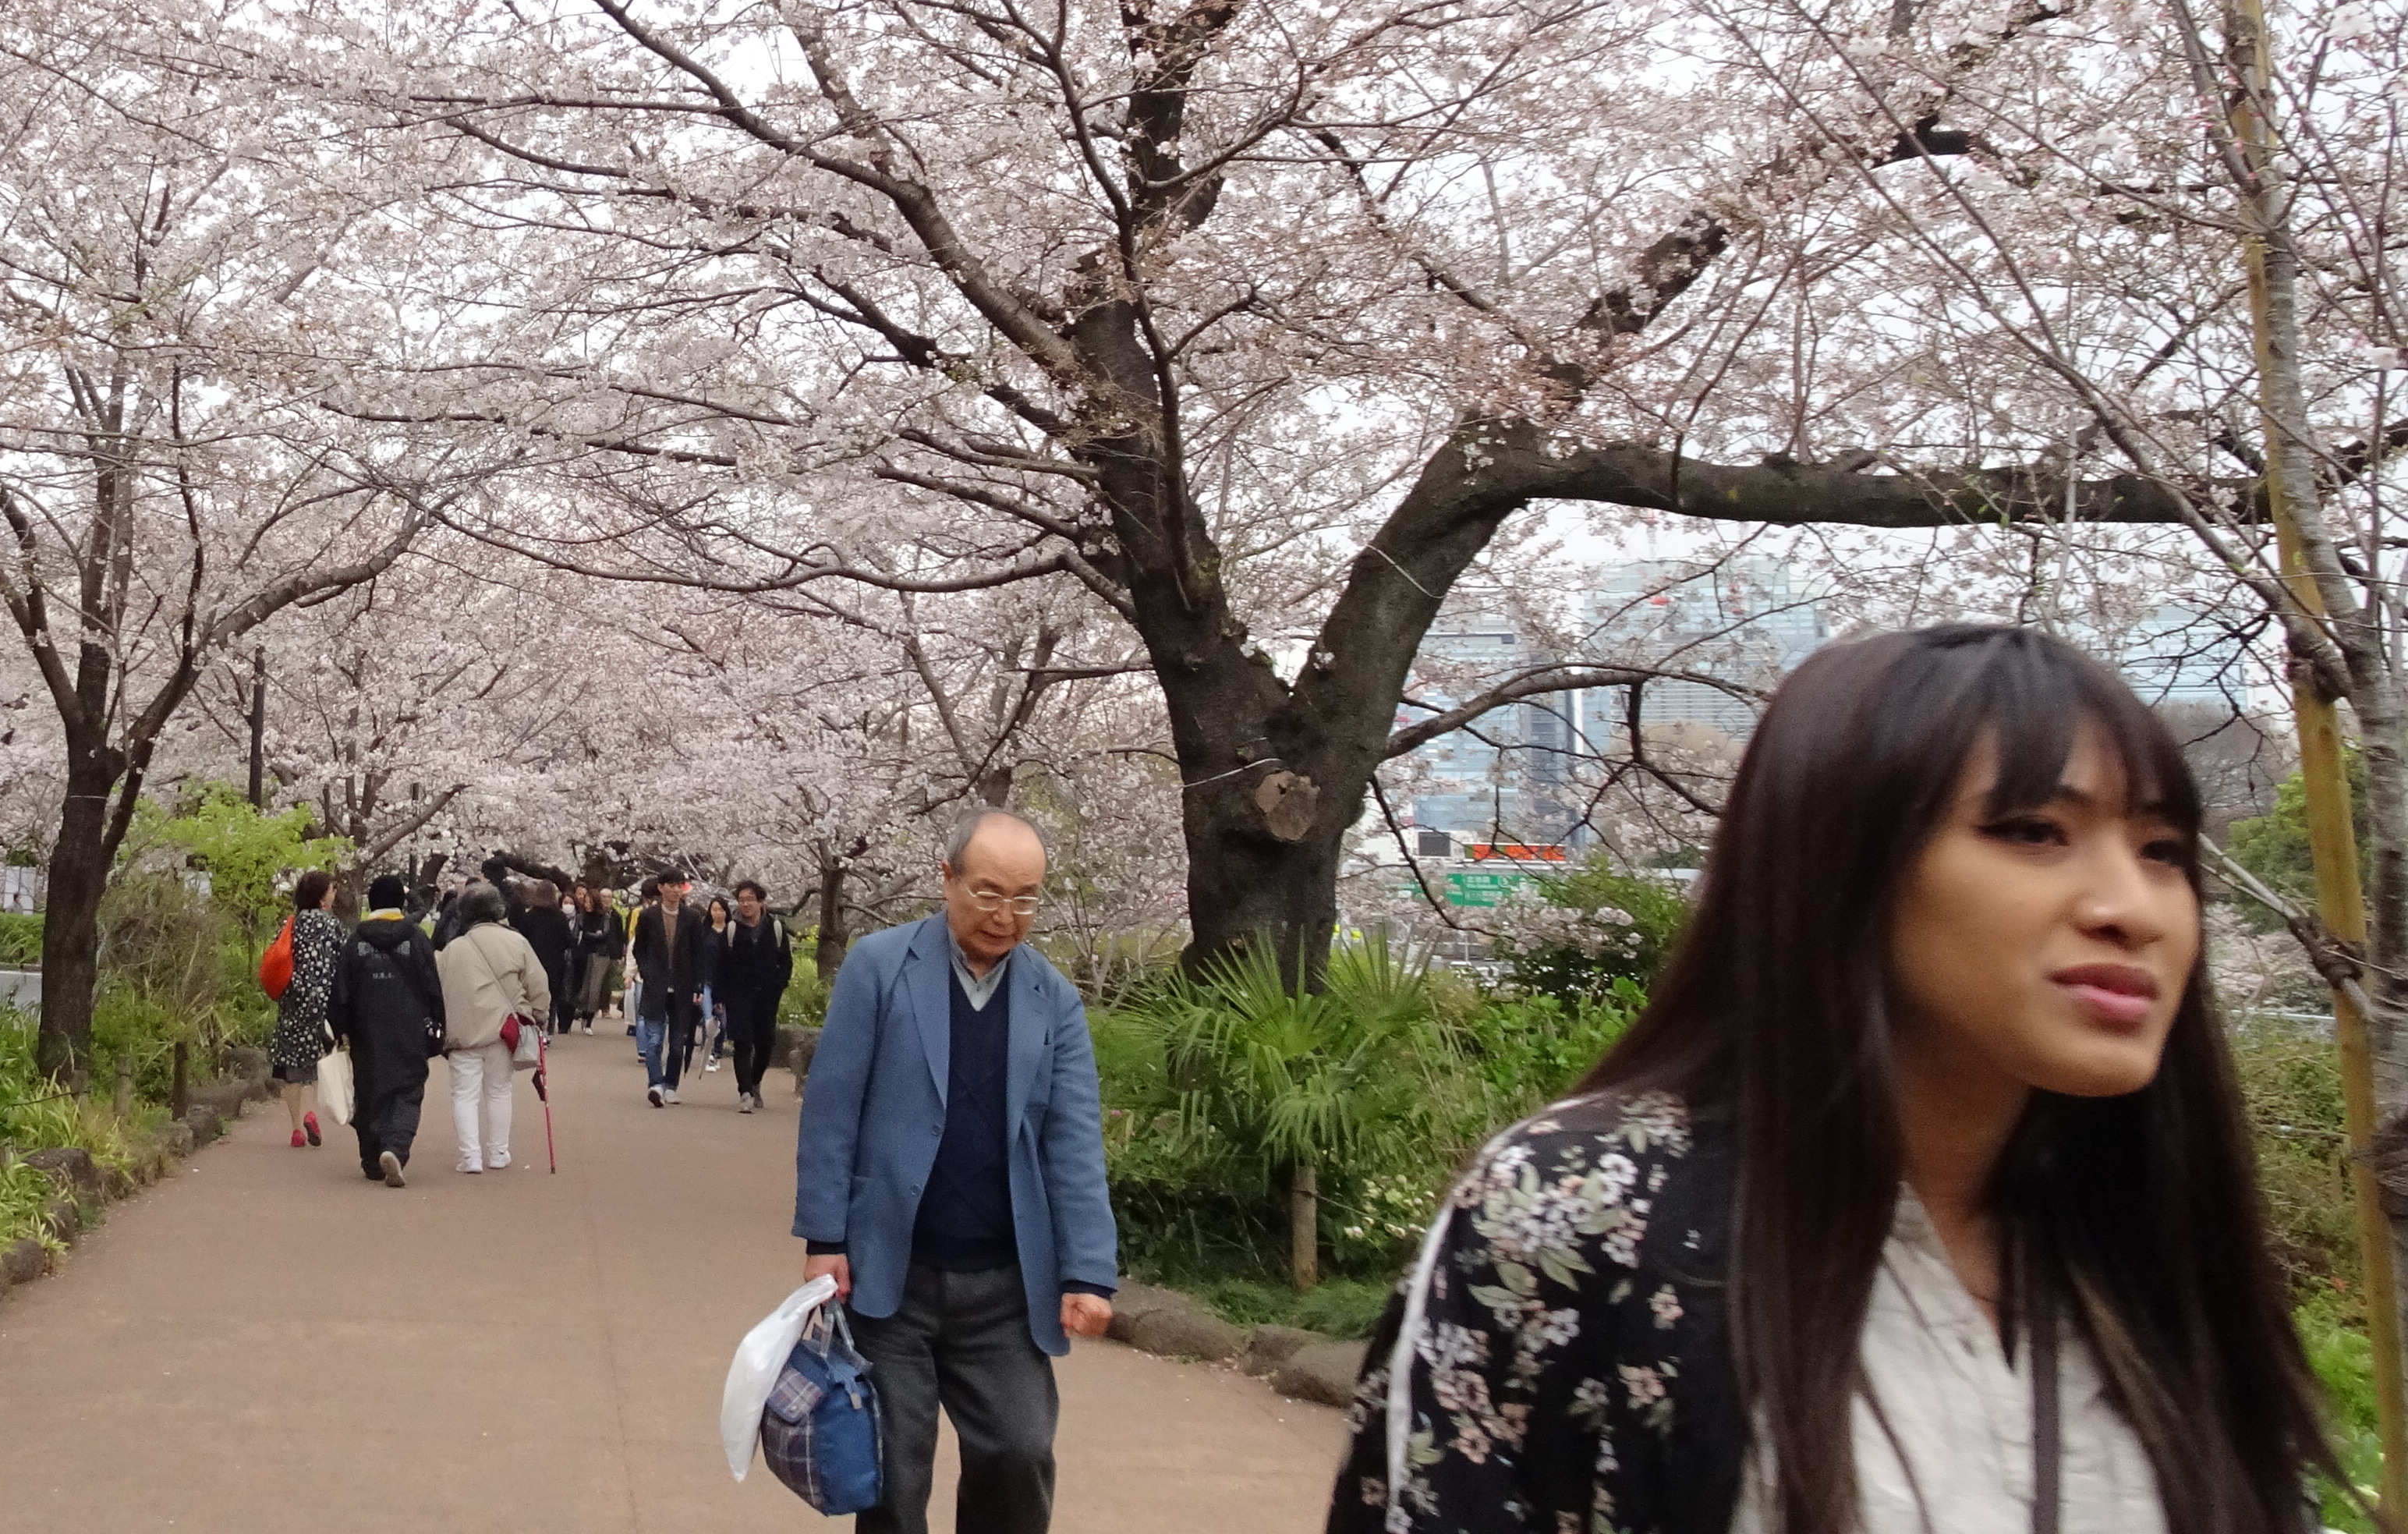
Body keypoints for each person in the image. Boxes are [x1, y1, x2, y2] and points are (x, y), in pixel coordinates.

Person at [1330, 624, 2330, 1534]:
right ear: (1841, 858)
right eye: (2033, 831)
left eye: (2163, 850)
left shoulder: (2165, 1247)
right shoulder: (1584, 1208)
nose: (2133, 908)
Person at [795, 810, 1116, 1534]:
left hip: (1003, 1288)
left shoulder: (1054, 1000)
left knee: (1019, 1452)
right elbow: (833, 1110)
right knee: (893, 1473)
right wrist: (825, 1237)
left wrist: (1088, 1271)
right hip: (891, 1276)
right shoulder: (880, 967)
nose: (1006, 916)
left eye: (1026, 898)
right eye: (989, 893)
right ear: (947, 880)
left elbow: (1073, 1141)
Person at [329, 871, 446, 1187]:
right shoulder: (416, 939)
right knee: (408, 1091)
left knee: (369, 1091)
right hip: (409, 1029)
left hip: (366, 1031)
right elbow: (432, 987)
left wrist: (336, 1028)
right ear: (400, 903)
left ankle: (371, 1160)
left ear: (371, 902)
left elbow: (342, 991)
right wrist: (438, 1025)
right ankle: (395, 1147)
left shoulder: (356, 942)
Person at [437, 882, 554, 1174]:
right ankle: (498, 1152)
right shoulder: (516, 942)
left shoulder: (453, 949)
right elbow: (539, 984)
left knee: (464, 1094)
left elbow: (439, 991)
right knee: (499, 1090)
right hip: (504, 1029)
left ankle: (470, 1156)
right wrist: (539, 1015)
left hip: (463, 1031)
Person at [267, 870, 346, 1149]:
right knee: (321, 1061)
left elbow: (278, 956)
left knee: (293, 1067)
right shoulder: (333, 925)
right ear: (322, 897)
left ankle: (296, 1128)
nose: (334, 894)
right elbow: (344, 962)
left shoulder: (291, 924)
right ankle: (313, 1113)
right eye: (332, 890)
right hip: (324, 1005)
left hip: (294, 1003)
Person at [632, 872, 714, 1105]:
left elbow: (698, 953)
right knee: (654, 1040)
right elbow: (639, 948)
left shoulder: (692, 917)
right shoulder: (648, 916)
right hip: (655, 985)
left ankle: (671, 1085)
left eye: (680, 886)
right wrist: (646, 971)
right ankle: (655, 1084)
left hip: (683, 987)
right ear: (661, 888)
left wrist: (698, 984)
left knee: (678, 1044)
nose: (676, 890)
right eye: (672, 885)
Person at [716, 880, 794, 1112]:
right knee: (742, 1042)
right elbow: (721, 965)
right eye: (741, 900)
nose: (745, 904)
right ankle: (745, 1092)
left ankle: (755, 1081)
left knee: (765, 1043)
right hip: (739, 995)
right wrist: (721, 995)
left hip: (767, 996)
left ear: (761, 902)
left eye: (750, 899)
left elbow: (786, 961)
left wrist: (779, 985)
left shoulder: (776, 928)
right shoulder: (732, 929)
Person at [509, 877, 580, 1033]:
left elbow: (521, 939)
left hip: (533, 963)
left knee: (531, 996)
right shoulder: (560, 918)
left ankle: (533, 1029)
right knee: (552, 999)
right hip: (555, 964)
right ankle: (548, 1030)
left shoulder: (529, 917)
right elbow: (569, 941)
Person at [569, 883, 621, 1031]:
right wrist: (592, 935)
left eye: (590, 902)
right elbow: (576, 935)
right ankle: (581, 1011)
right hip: (584, 954)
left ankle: (589, 1019)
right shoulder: (581, 917)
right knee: (584, 988)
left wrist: (588, 935)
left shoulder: (606, 916)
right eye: (586, 902)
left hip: (601, 954)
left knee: (595, 987)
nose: (587, 905)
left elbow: (605, 934)